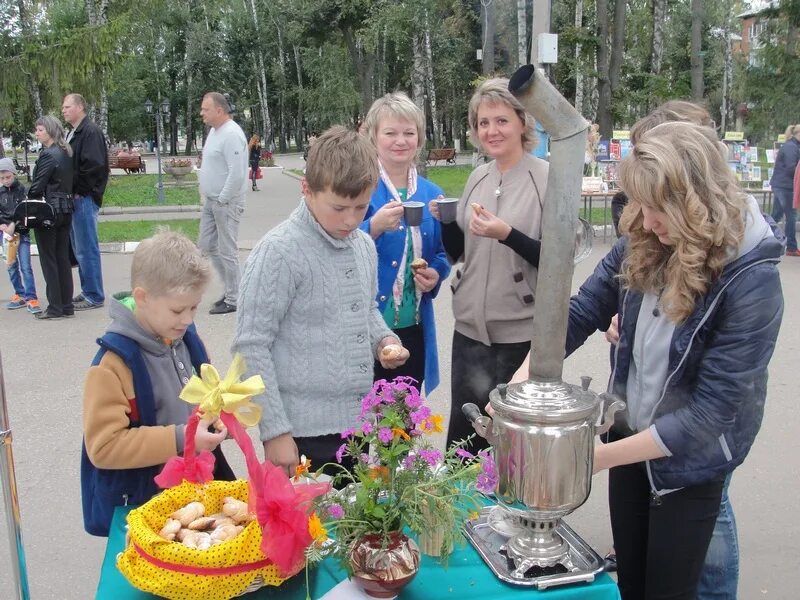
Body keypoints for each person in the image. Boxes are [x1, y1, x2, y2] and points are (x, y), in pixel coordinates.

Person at [564, 122, 783, 599]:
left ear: (694, 202)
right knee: (633, 588)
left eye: (655, 207)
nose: (641, 221)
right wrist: (521, 379)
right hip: (628, 444)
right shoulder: (645, 241)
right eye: (636, 204)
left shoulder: (752, 280)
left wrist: (591, 459)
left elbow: (710, 414)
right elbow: (582, 311)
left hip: (689, 466)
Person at [232, 126, 409, 478]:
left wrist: (384, 339)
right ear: (306, 189)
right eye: (339, 207)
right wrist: (275, 429)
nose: (350, 220)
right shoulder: (279, 251)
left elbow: (367, 309)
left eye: (361, 207)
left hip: (355, 428)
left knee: (351, 526)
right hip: (299, 432)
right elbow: (250, 346)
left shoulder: (362, 245)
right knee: (307, 531)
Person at [81, 230, 234, 536]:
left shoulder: (183, 338)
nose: (188, 319)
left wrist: (218, 419)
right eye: (179, 309)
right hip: (144, 504)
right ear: (142, 298)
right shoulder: (113, 365)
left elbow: (203, 398)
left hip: (193, 493)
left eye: (194, 307)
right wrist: (182, 438)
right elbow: (104, 447)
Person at [430, 78, 548, 451]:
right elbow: (460, 253)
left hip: (517, 336)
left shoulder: (546, 180)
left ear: (522, 122)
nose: (491, 131)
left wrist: (507, 233)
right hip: (469, 333)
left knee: (512, 444)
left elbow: (555, 263)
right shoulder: (478, 176)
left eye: (501, 120)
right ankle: (464, 511)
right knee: (464, 441)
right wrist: (447, 223)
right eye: (483, 122)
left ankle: (516, 511)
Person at [360, 92, 450, 394]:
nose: (401, 140)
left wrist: (436, 273)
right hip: (362, 330)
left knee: (398, 432)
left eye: (409, 133)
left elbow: (442, 252)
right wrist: (372, 227)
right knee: (355, 434)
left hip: (412, 329)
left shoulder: (431, 193)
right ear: (373, 137)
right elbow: (335, 243)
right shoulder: (359, 188)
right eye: (390, 133)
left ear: (419, 138)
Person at [197, 92, 248, 315]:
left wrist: (223, 198)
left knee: (227, 250)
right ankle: (231, 289)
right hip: (211, 201)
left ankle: (235, 297)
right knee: (207, 245)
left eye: (205, 109)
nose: (202, 113)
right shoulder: (214, 132)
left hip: (225, 202)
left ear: (219, 110)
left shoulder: (231, 134)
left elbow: (236, 174)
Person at [26, 116, 76, 320]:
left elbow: (37, 186)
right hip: (65, 208)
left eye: (39, 130)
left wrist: (28, 199)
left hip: (48, 211)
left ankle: (55, 307)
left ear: (49, 131)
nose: (36, 133)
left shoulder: (49, 155)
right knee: (62, 257)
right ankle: (66, 305)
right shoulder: (66, 152)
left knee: (49, 259)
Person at [62, 93, 109, 310]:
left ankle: (94, 295)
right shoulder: (74, 131)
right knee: (78, 247)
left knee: (86, 248)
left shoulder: (90, 132)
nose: (64, 110)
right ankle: (87, 289)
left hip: (84, 198)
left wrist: (79, 191)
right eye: (63, 107)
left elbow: (95, 166)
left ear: (80, 107)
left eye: (68, 106)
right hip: (75, 198)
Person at [0, 157, 41, 314]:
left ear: (14, 174)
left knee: (25, 266)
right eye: (2, 178)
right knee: (11, 266)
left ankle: (32, 297)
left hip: (22, 234)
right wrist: (2, 225)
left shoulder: (23, 190)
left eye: (8, 177)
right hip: (6, 236)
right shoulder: (0, 192)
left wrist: (13, 225)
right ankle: (19, 293)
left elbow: (26, 210)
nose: (5, 180)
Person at [770, 124, 800, 256]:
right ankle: (792, 247)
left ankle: (761, 235)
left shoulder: (792, 146)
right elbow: (791, 168)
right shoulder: (791, 147)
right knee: (791, 216)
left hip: (781, 185)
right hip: (786, 186)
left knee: (776, 214)